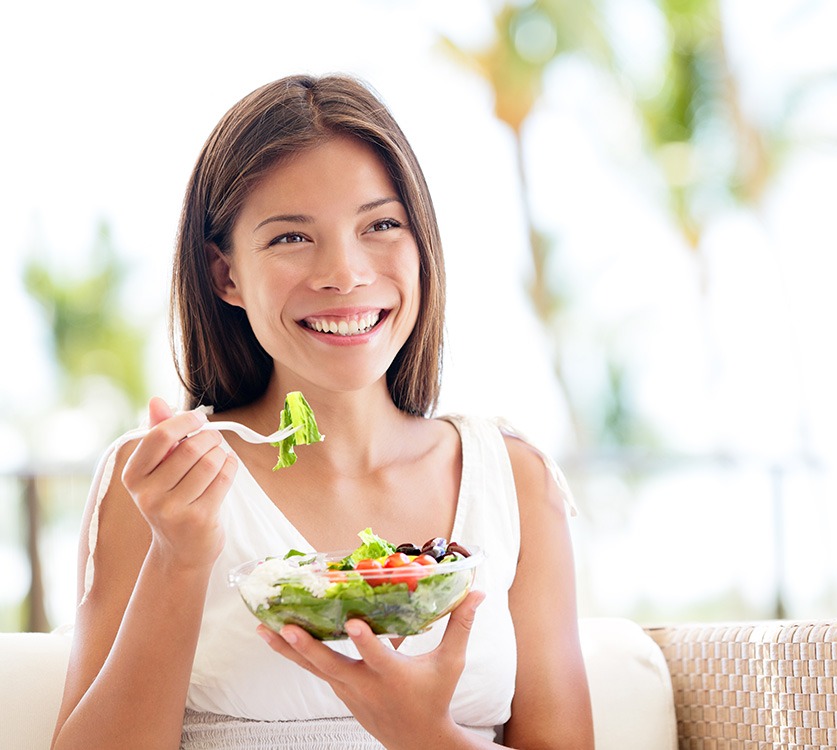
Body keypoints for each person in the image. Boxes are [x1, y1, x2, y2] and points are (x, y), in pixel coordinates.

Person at [50, 74, 594, 749]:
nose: (345, 272)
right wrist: (179, 558)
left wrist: (424, 734)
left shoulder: (513, 479)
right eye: (290, 239)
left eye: (380, 225)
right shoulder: (160, 484)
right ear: (226, 276)